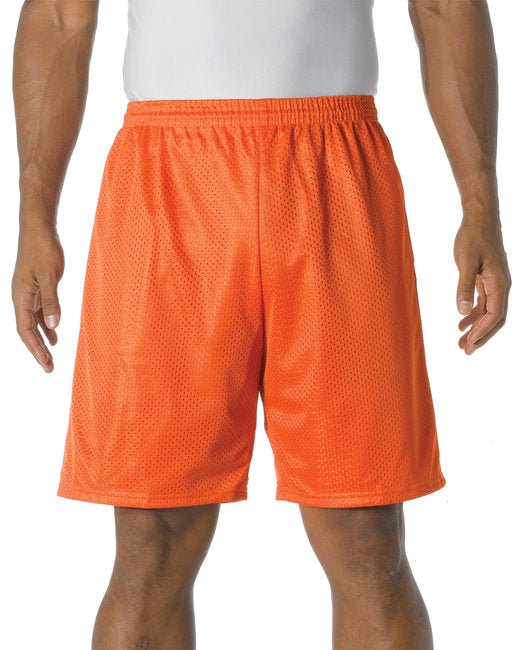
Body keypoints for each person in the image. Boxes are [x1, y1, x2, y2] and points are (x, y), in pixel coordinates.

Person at [11, 1, 511, 648]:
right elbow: (59, 17)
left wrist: (480, 205)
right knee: (149, 544)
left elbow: (444, 8)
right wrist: (35, 220)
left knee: (367, 540)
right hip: (167, 179)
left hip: (335, 171)